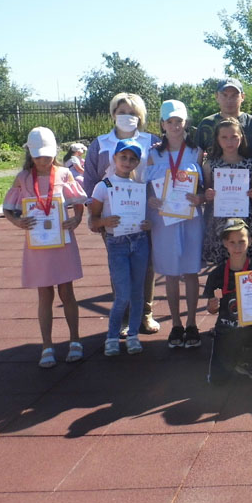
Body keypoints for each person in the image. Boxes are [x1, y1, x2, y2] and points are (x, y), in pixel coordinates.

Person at [2, 127, 87, 368]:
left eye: (47, 155)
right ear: (30, 153)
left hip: (62, 241)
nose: (43, 160)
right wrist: (18, 222)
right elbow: (7, 208)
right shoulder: (23, 178)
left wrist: (77, 219)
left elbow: (78, 202)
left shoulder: (64, 174)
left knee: (67, 292)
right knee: (44, 294)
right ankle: (47, 345)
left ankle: (75, 340)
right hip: (38, 245)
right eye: (38, 155)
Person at [82, 92, 159, 335]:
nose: (127, 116)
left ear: (141, 116)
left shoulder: (152, 141)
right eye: (122, 112)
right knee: (119, 268)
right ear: (113, 114)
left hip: (143, 215)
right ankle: (124, 316)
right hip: (112, 217)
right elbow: (90, 179)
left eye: (132, 113)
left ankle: (145, 313)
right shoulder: (100, 143)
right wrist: (95, 214)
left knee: (146, 266)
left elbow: (160, 174)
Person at [146, 99, 206, 349]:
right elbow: (145, 188)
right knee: (170, 273)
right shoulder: (153, 154)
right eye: (170, 121)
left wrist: (200, 197)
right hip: (164, 221)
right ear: (162, 124)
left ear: (185, 123)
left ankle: (191, 323)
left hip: (190, 218)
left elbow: (205, 186)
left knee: (191, 271)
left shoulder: (197, 152)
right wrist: (150, 200)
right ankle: (176, 324)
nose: (175, 126)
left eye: (179, 121)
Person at [88, 138, 152, 357]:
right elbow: (93, 221)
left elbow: (144, 218)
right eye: (123, 157)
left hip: (139, 241)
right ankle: (112, 336)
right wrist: (104, 222)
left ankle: (133, 334)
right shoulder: (103, 186)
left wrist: (147, 224)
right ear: (114, 158)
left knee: (138, 294)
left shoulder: (139, 187)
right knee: (122, 294)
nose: (127, 162)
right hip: (117, 244)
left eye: (132, 159)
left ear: (137, 163)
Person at [204, 219, 252, 382]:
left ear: (250, 241)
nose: (237, 247)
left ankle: (247, 360)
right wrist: (212, 307)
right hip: (227, 329)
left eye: (241, 241)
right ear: (225, 243)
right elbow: (211, 310)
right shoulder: (216, 275)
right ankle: (234, 357)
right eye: (232, 242)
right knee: (218, 381)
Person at [202, 117, 252, 266]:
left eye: (234, 137)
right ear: (217, 139)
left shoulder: (251, 164)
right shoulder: (209, 165)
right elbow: (206, 197)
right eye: (224, 137)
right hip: (219, 223)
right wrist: (208, 195)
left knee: (245, 265)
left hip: (244, 222)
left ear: (241, 137)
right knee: (222, 267)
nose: (229, 142)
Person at [195, 77, 252, 159]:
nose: (229, 100)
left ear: (242, 97)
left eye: (234, 95)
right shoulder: (206, 124)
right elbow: (197, 157)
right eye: (224, 95)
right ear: (216, 96)